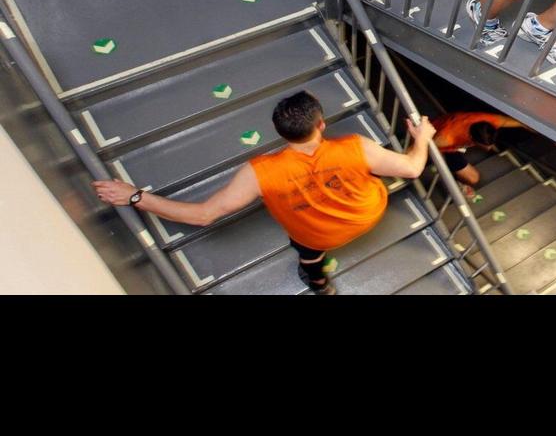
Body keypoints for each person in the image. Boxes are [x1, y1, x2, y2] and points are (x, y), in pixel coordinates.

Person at [92, 91, 436, 295]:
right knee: (378, 169)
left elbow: (203, 215)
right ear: (321, 124)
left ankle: (319, 284)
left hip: (316, 235)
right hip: (367, 213)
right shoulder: (357, 147)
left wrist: (134, 196)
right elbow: (412, 168)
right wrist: (421, 140)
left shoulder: (260, 172)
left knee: (309, 252)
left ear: (279, 132)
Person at [429, 111, 529, 195]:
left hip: (454, 139)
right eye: (483, 145)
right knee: (473, 179)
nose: (488, 148)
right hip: (442, 146)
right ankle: (453, 178)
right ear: (471, 138)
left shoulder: (491, 120)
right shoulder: (446, 138)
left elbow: (517, 122)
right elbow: (424, 145)